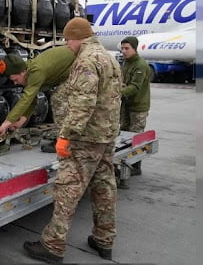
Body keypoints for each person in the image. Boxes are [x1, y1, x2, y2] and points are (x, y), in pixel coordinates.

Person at [23, 17, 123, 264]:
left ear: (77, 38)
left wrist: (66, 135)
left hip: (85, 138)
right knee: (104, 187)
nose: (68, 46)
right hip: (106, 135)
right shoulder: (110, 58)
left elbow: (82, 103)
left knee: (68, 189)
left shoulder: (86, 61)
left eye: (68, 41)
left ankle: (53, 245)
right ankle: (104, 240)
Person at [0, 45, 76, 140]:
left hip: (81, 65)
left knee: (58, 99)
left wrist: (5, 124)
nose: (15, 83)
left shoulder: (36, 71)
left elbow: (26, 99)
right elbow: (32, 99)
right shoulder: (29, 71)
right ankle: (66, 138)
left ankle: (65, 140)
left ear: (22, 72)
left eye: (15, 79)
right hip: (71, 71)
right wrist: (20, 122)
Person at [119, 36, 151, 179]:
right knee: (124, 135)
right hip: (126, 105)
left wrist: (116, 93)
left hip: (138, 107)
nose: (124, 51)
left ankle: (136, 166)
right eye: (122, 48)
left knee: (136, 137)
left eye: (127, 48)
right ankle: (126, 164)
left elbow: (135, 87)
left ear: (134, 48)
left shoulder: (140, 65)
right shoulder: (127, 63)